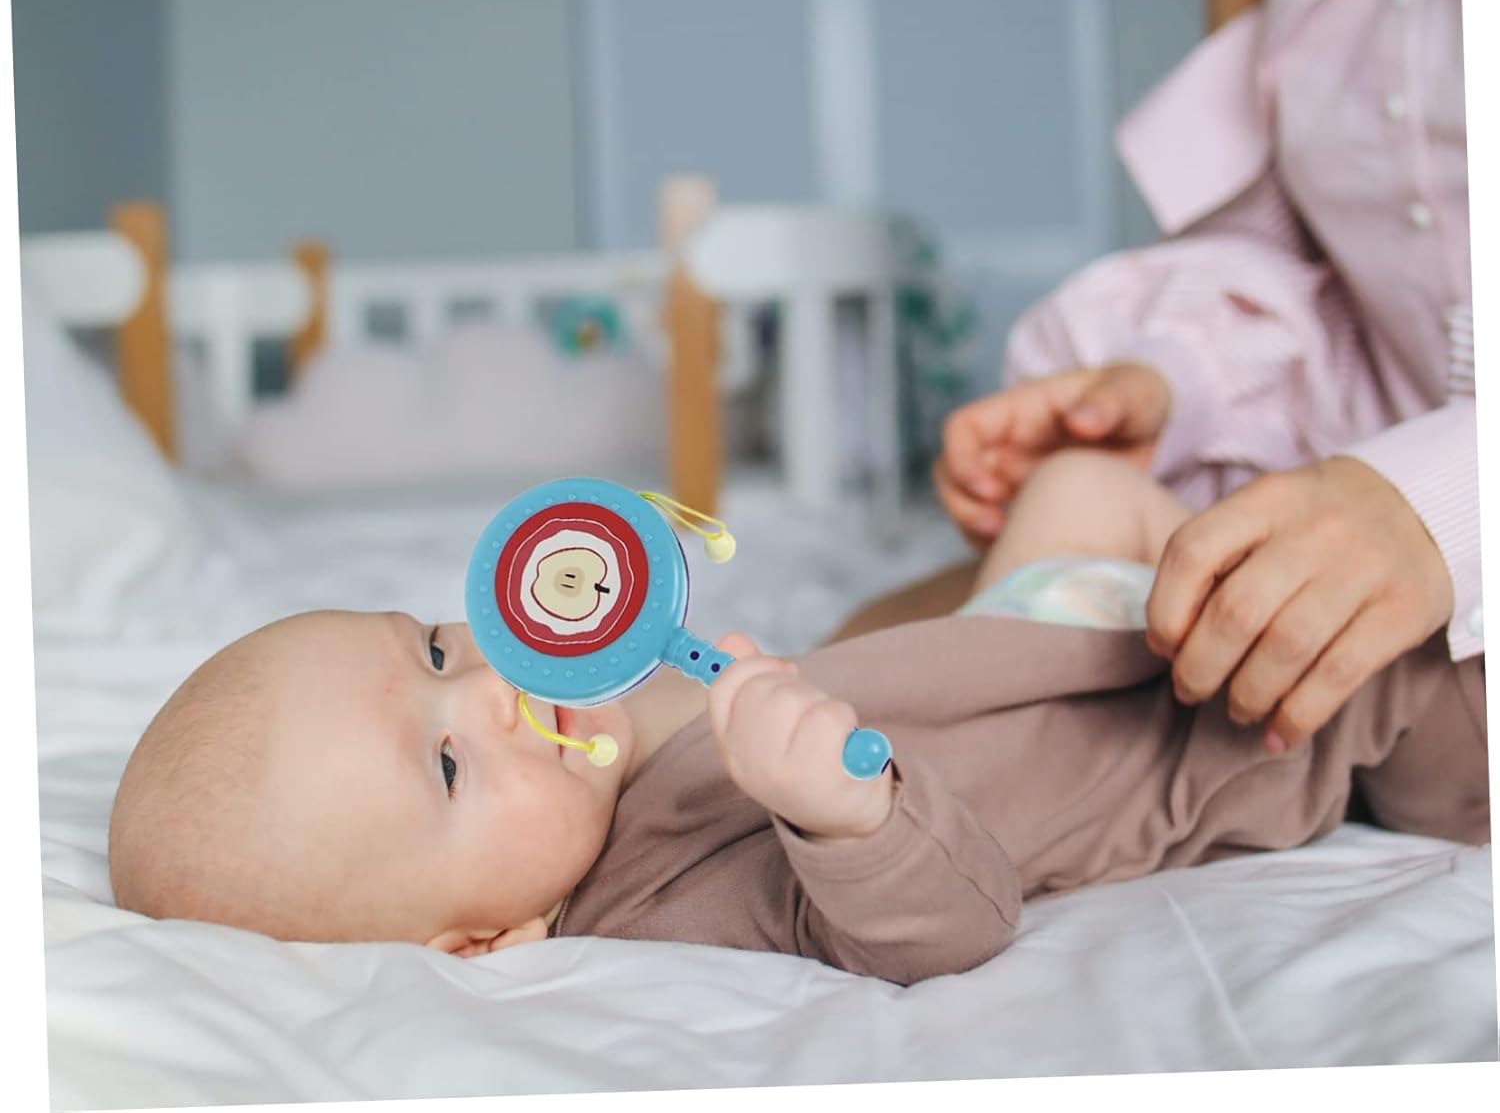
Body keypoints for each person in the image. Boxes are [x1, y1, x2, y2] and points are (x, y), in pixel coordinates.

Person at [107, 448, 1488, 988]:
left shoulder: (605, 755)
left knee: (1076, 489)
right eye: (450, 765)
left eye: (427, 649)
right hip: (1231, 725)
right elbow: (954, 922)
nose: (484, 685)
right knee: (1432, 697)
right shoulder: (663, 911)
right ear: (481, 938)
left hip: (1035, 632)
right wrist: (844, 816)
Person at [832, 0, 1480, 758]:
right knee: (877, 651)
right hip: (1347, 488)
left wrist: (1436, 504)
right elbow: (1275, 255)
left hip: (1427, 515)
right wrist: (1169, 384)